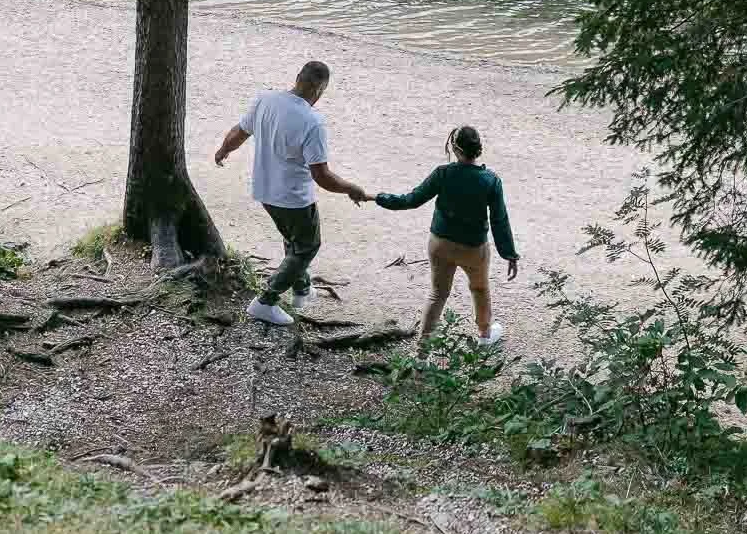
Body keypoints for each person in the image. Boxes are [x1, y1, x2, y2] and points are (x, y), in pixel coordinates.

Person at [213, 60, 370, 327]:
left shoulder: (265, 100)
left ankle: (302, 291)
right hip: (294, 198)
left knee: (293, 240)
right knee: (307, 246)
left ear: (297, 77)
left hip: (264, 190)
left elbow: (240, 132)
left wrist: (224, 149)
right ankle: (265, 301)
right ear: (320, 90)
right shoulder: (313, 121)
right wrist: (350, 188)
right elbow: (321, 176)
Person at [372, 125, 518, 346]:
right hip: (473, 248)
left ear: (455, 149)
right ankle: (485, 335)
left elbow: (410, 200)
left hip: (440, 244)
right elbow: (500, 220)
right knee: (479, 288)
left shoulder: (443, 173)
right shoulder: (491, 181)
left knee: (438, 294)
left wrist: (377, 197)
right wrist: (509, 253)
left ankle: (422, 351)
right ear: (478, 150)